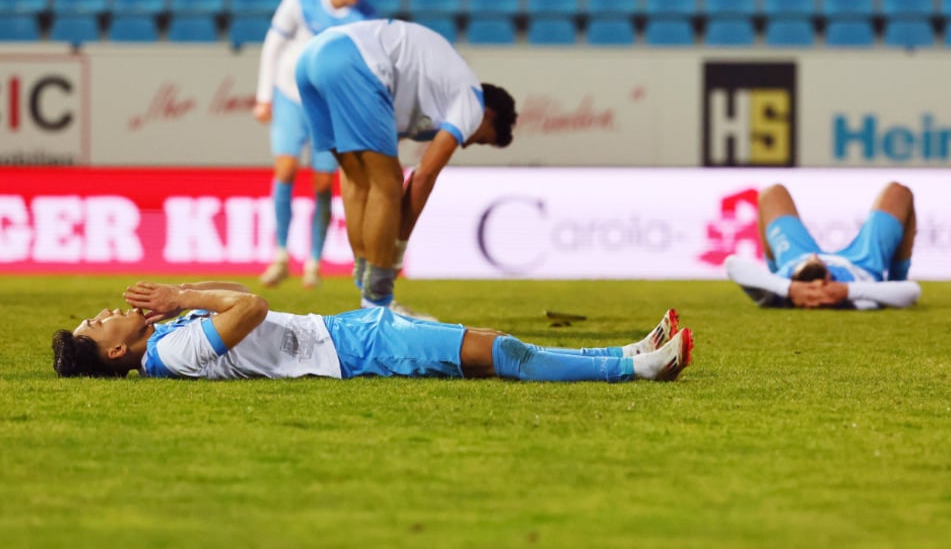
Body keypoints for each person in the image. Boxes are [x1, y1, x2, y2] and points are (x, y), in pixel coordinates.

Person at [295, 19, 518, 317]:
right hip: (354, 60)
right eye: (480, 140)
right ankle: (379, 303)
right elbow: (423, 176)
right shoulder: (472, 101)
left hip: (312, 57)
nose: (466, 144)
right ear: (489, 116)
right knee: (387, 184)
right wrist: (396, 250)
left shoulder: (430, 97)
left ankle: (366, 284)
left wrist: (380, 252)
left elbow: (364, 178)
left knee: (358, 178)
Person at [51, 281, 694, 383]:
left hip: (346, 328)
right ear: (113, 349)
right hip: (353, 350)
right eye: (100, 319)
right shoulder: (169, 354)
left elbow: (244, 309)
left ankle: (623, 351)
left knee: (491, 338)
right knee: (499, 353)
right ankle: (635, 370)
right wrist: (183, 297)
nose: (108, 308)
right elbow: (249, 307)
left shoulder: (168, 337)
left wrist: (181, 300)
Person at [253, 0, 375, 288]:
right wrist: (264, 97)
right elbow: (273, 44)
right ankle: (280, 255)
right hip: (290, 95)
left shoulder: (363, 16)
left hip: (328, 106)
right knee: (285, 169)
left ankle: (314, 262)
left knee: (323, 183)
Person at [725, 182, 921, 309]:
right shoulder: (855, 298)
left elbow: (732, 264)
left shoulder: (778, 293)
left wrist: (787, 287)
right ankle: (897, 277)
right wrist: (848, 291)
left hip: (795, 257)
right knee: (899, 192)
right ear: (827, 280)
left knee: (772, 194)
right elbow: (911, 291)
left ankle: (775, 268)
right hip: (862, 263)